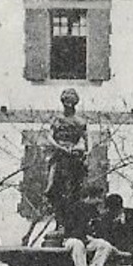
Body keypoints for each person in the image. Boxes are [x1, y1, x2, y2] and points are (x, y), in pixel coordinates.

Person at [44, 88, 89, 226]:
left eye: (71, 103)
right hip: (59, 155)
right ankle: (59, 220)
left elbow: (87, 138)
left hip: (74, 156)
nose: (68, 106)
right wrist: (59, 147)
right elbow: (49, 136)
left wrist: (86, 150)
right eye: (66, 103)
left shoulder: (80, 121)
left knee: (74, 190)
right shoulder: (57, 119)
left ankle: (70, 221)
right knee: (53, 187)